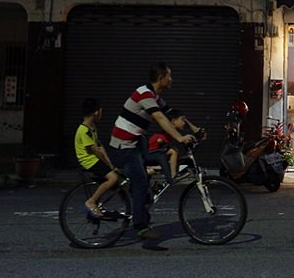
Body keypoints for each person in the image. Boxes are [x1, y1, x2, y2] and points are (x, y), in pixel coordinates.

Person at [108, 62, 196, 241]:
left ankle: (142, 197)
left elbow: (171, 113)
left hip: (135, 142)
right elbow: (160, 118)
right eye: (169, 76)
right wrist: (179, 138)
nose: (172, 79)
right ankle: (141, 226)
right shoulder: (145, 94)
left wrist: (194, 128)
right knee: (140, 181)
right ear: (161, 78)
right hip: (124, 146)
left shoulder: (155, 96)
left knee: (149, 168)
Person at [74, 98, 119, 218]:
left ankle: (98, 202)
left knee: (116, 174)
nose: (101, 113)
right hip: (88, 161)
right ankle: (91, 201)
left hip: (94, 159)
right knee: (113, 178)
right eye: (100, 110)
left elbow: (100, 146)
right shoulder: (83, 130)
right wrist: (107, 164)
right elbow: (95, 150)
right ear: (96, 112)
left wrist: (109, 164)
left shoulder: (92, 127)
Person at [147, 111, 206, 183]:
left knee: (174, 153)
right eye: (182, 120)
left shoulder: (173, 132)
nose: (184, 123)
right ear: (173, 121)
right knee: (173, 151)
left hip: (158, 152)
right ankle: (173, 175)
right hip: (151, 153)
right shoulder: (169, 132)